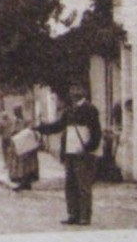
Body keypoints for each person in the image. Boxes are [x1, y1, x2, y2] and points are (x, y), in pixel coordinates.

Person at [36, 83, 102, 225]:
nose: (74, 92)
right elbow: (57, 126)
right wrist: (40, 129)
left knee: (83, 185)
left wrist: (88, 148)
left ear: (83, 92)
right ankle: (73, 214)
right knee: (70, 185)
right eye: (72, 89)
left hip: (83, 154)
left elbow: (96, 133)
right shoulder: (69, 111)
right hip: (69, 153)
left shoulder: (91, 110)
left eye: (77, 89)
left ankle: (84, 216)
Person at [8, 105, 40, 191]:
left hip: (27, 146)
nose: (16, 114)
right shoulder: (15, 122)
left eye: (17, 112)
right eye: (15, 112)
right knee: (20, 166)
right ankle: (22, 182)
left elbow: (30, 132)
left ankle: (27, 183)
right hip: (19, 146)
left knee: (28, 166)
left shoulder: (27, 121)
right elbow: (12, 133)